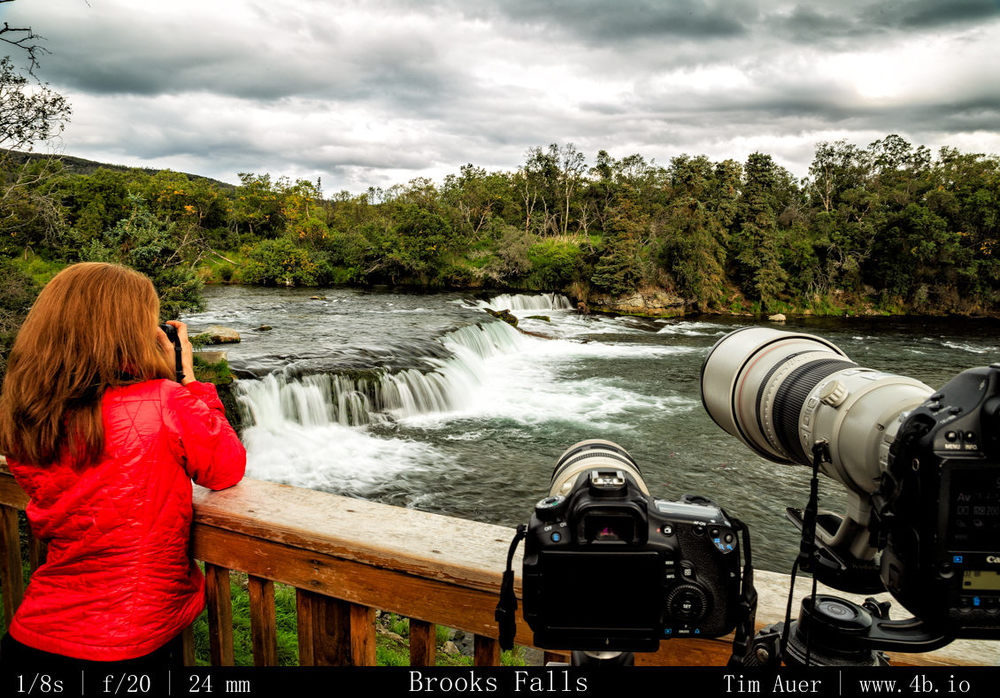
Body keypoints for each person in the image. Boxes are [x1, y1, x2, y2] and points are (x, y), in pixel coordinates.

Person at [0, 262, 246, 670]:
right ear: (129, 331)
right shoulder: (165, 400)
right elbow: (226, 468)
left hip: (35, 631)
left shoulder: (29, 410)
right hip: (128, 639)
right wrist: (186, 377)